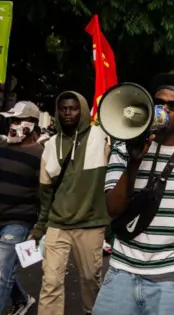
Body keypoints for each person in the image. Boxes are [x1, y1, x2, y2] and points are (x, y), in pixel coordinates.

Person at [93, 74, 174, 315]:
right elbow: (113, 209)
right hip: (121, 270)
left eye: (173, 106)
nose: (164, 109)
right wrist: (134, 163)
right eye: (159, 103)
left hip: (172, 276)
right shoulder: (123, 148)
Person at [33, 92, 111, 315]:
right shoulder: (50, 145)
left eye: (73, 108)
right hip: (57, 224)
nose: (68, 113)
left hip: (91, 224)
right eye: (63, 108)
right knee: (50, 282)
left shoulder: (102, 138)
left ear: (83, 110)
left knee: (90, 280)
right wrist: (40, 227)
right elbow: (46, 192)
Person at [0, 101, 43, 314]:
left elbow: (43, 194)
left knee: (1, 272)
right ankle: (22, 299)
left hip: (18, 221)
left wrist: (38, 230)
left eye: (17, 120)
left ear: (32, 123)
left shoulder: (41, 154)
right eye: (11, 120)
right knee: (3, 270)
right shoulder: (3, 147)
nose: (13, 124)